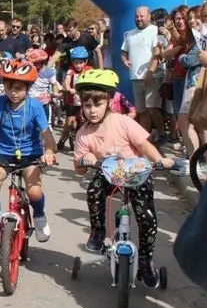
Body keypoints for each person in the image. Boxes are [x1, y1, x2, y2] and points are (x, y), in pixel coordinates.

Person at [72, 69, 173, 288]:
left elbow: (144, 145)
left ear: (108, 102)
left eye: (97, 104)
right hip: (109, 174)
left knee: (147, 218)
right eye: (87, 105)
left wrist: (160, 159)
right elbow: (79, 169)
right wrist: (84, 159)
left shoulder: (122, 122)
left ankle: (145, 260)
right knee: (93, 190)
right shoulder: (83, 134)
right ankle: (98, 231)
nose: (92, 110)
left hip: (136, 172)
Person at [0, 60, 57, 249]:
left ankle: (39, 216)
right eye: (8, 87)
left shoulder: (35, 106)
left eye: (18, 88)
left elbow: (47, 134)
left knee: (34, 192)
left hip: (31, 155)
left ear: (28, 87)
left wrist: (49, 151)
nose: (13, 92)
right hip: (3, 154)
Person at [58, 46, 92, 152]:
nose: (78, 65)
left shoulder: (89, 70)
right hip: (72, 101)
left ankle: (82, 142)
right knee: (69, 122)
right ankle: (62, 140)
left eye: (80, 63)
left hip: (84, 100)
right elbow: (67, 80)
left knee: (84, 122)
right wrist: (68, 88)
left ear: (85, 62)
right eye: (76, 62)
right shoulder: (71, 70)